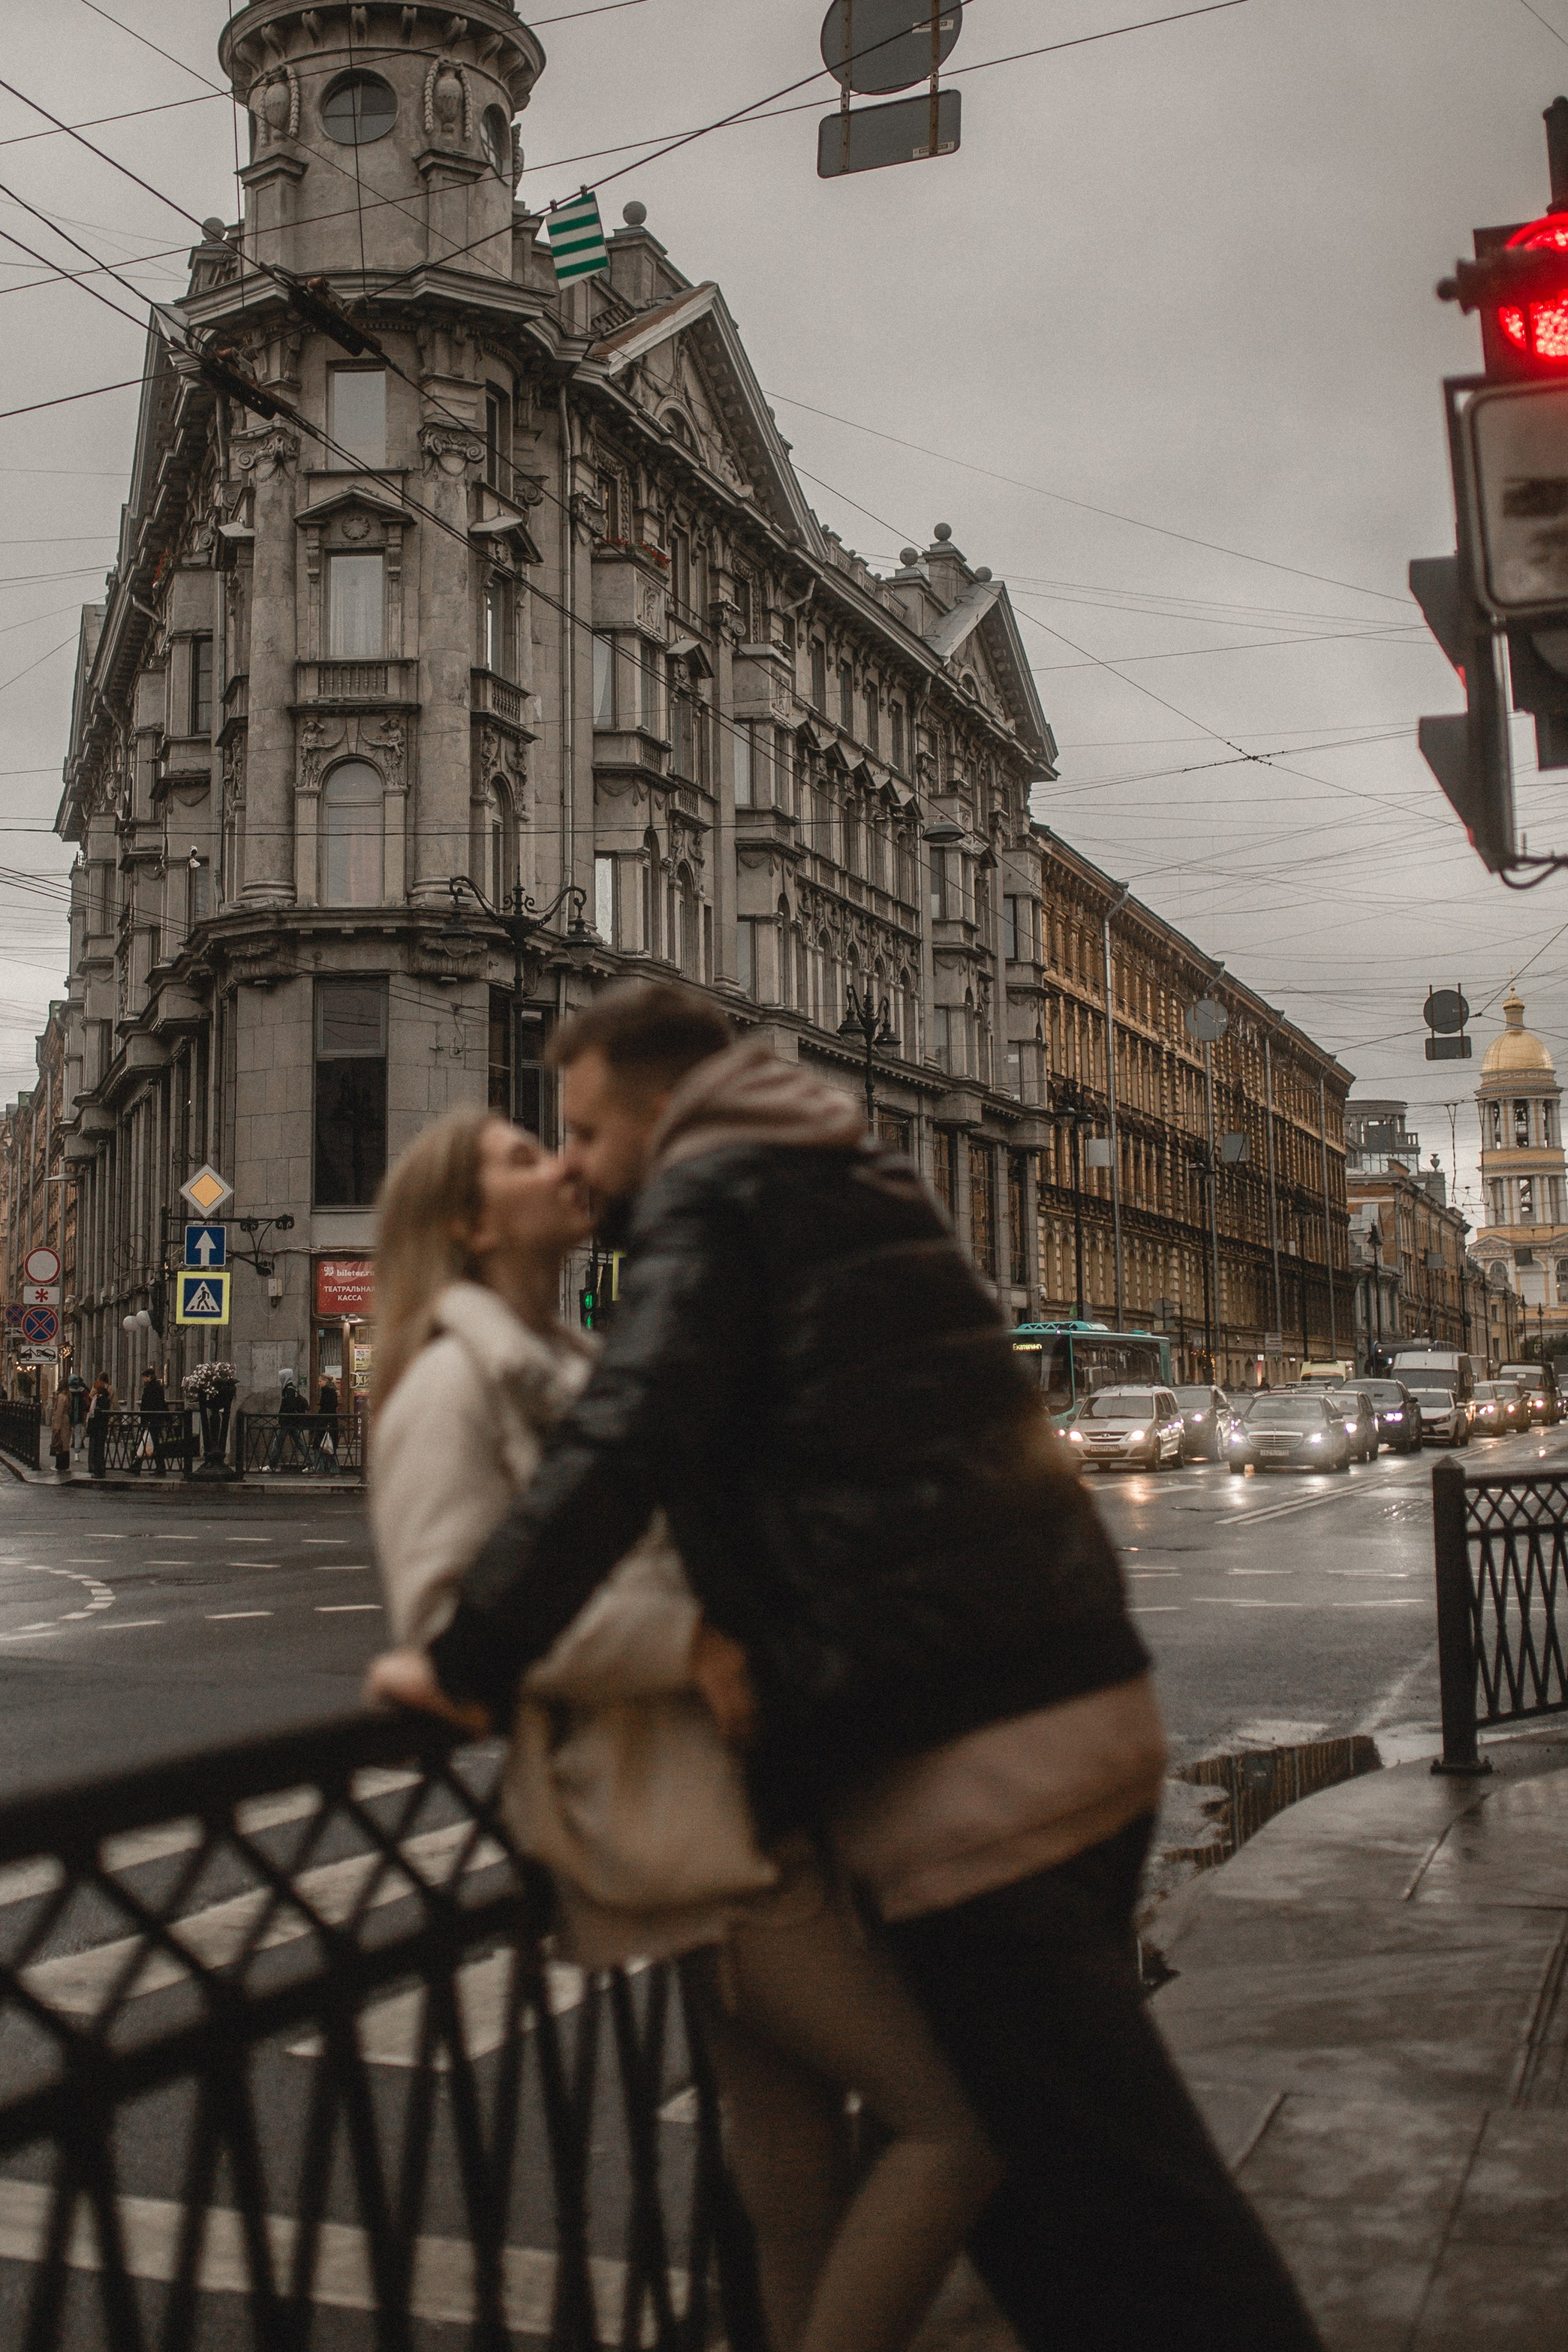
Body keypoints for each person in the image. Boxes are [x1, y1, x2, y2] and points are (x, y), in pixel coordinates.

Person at [370, 983, 1322, 2352]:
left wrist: (470, 1657)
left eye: (576, 1129)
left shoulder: (718, 1196)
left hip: (977, 1771)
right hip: (1067, 1711)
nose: (572, 1159)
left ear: (654, 1108)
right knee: (1015, 2191)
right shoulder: (844, 1166)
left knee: (1116, 2204)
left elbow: (629, 1438)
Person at [369, 1103, 996, 2352]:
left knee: (794, 2167)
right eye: (513, 1157)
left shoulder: (569, 1356)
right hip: (679, 1812)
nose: (553, 1160)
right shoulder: (452, 1378)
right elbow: (451, 1619)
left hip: (735, 1781)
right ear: (464, 1220)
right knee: (959, 2123)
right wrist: (685, 1643)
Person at [137, 1364, 168, 1475]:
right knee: (148, 1443)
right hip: (156, 1419)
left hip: (151, 1419)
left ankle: (160, 1468)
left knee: (152, 1444)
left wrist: (144, 1420)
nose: (143, 1379)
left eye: (144, 1377)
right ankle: (137, 1466)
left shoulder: (150, 1389)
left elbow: (146, 1405)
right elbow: (163, 1404)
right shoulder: (158, 1388)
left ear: (149, 1377)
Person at [86, 1373, 113, 1482]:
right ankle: (98, 1468)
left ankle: (98, 1469)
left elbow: (94, 1411)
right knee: (98, 1448)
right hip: (101, 1426)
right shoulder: (105, 1396)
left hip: (97, 1427)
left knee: (97, 1449)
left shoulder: (99, 1399)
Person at [48, 1373, 74, 1477]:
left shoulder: (61, 1396)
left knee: (60, 1443)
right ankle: (65, 1464)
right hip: (66, 1420)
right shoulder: (68, 1395)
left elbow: (59, 1411)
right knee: (65, 1444)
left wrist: (56, 1427)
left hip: (62, 1421)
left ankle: (60, 1465)